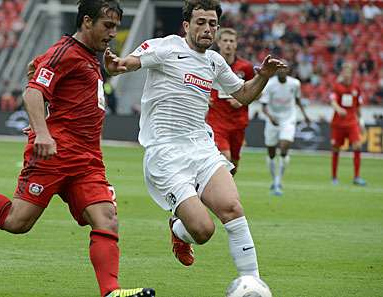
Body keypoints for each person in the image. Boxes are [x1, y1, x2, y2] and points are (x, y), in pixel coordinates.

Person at [0, 1, 154, 297]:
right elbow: (33, 93)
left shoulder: (86, 55)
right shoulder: (66, 52)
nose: (113, 33)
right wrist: (42, 133)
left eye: (116, 27)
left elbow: (38, 68)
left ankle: (111, 292)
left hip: (88, 159)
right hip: (54, 153)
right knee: (17, 222)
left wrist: (39, 66)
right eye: (108, 26)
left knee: (106, 217)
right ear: (87, 22)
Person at [104, 0, 285, 278]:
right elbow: (130, 62)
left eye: (212, 23)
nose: (207, 29)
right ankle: (179, 230)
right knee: (203, 231)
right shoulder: (166, 47)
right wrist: (117, 65)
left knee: (232, 208)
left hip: (201, 147)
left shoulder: (214, 62)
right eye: (201, 22)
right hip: (166, 153)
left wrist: (264, 77)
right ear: (187, 25)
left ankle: (253, 284)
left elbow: (243, 94)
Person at [206, 28, 255, 176]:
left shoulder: (245, 67)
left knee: (234, 163)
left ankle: (225, 190)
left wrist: (241, 101)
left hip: (238, 121)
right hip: (217, 120)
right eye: (225, 40)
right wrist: (203, 96)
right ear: (218, 43)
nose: (228, 44)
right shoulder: (209, 63)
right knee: (224, 157)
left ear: (236, 44)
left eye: (231, 41)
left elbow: (256, 92)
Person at [260, 66, 310, 196]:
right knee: (271, 152)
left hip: (288, 119)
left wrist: (305, 115)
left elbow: (297, 100)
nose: (282, 71)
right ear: (276, 71)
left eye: (284, 69)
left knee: (284, 148)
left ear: (288, 71)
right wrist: (271, 118)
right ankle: (273, 179)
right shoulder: (270, 84)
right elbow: (264, 106)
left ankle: (278, 181)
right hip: (272, 119)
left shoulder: (295, 83)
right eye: (279, 69)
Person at [330, 63, 366, 186]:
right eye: (344, 72)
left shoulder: (356, 87)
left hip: (351, 122)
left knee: (357, 146)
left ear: (351, 74)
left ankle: (357, 177)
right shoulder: (337, 87)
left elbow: (359, 106)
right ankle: (334, 177)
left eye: (348, 72)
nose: (346, 74)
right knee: (336, 148)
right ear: (342, 74)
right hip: (338, 123)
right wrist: (339, 109)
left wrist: (361, 122)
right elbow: (333, 101)